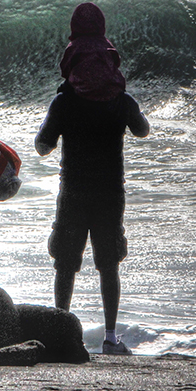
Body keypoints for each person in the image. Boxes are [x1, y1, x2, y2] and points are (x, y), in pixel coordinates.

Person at [35, 37, 149, 355]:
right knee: (109, 263)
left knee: (65, 263)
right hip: (110, 193)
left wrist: (50, 128)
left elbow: (43, 146)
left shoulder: (64, 102)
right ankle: (110, 338)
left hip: (72, 191)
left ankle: (61, 334)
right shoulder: (121, 100)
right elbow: (142, 130)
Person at [59, 2, 127, 102]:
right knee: (127, 100)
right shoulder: (105, 44)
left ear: (74, 24)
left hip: (82, 95)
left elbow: (64, 70)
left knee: (61, 94)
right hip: (111, 93)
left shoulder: (74, 46)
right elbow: (116, 62)